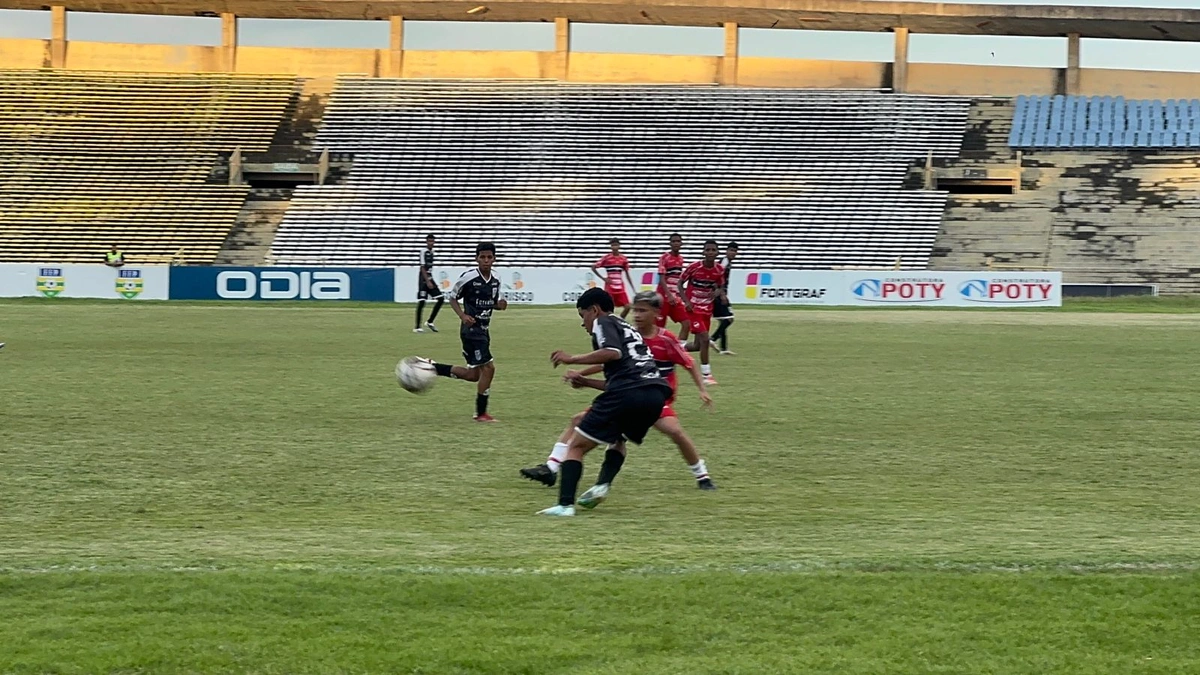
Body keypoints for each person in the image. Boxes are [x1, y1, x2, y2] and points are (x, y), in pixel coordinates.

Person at [521, 291, 717, 493]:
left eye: (643, 311)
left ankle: (702, 475)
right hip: (630, 393)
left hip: (656, 396)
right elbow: (608, 366)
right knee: (585, 423)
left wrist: (702, 388)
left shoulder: (664, 339)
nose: (638, 316)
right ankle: (555, 468)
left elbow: (688, 362)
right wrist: (583, 376)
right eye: (635, 311)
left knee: (675, 432)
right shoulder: (629, 333)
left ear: (657, 313)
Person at [538, 288, 673, 516]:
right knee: (618, 439)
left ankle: (565, 505)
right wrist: (587, 382)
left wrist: (572, 358)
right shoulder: (628, 328)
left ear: (594, 310)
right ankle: (602, 485)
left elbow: (612, 353)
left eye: (583, 316)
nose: (584, 324)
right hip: (655, 394)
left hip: (630, 391)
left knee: (576, 446)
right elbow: (623, 376)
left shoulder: (603, 322)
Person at [423, 242, 507, 422]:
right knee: (489, 369)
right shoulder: (468, 278)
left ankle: (434, 367)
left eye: (489, 257)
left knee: (473, 375)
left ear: (494, 259)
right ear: (476, 258)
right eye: (482, 257)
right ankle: (481, 413)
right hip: (472, 331)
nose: (486, 260)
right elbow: (453, 298)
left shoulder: (496, 279)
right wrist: (462, 315)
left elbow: (491, 303)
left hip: (484, 330)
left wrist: (499, 306)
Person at [678, 240, 725, 385]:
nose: (710, 252)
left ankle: (675, 348)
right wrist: (686, 301)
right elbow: (680, 284)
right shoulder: (694, 267)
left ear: (717, 253)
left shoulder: (719, 270)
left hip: (707, 310)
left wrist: (718, 293)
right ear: (703, 252)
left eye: (713, 250)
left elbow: (720, 285)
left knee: (698, 345)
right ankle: (707, 375)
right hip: (694, 309)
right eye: (708, 250)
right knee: (705, 339)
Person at [656, 233, 690, 344]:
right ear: (670, 243)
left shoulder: (681, 259)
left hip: (675, 297)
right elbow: (661, 278)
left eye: (678, 241)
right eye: (674, 241)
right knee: (659, 327)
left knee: (687, 323)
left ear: (681, 243)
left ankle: (679, 349)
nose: (676, 243)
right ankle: (655, 351)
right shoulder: (664, 258)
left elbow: (677, 280)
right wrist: (668, 294)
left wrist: (679, 294)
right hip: (663, 297)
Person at [591, 238, 636, 318]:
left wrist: (632, 287)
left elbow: (627, 273)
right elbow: (594, 267)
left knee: (628, 306)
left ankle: (620, 320)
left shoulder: (623, 259)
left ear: (619, 246)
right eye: (612, 245)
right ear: (610, 247)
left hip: (620, 288)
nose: (614, 247)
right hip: (610, 288)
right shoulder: (607, 258)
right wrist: (603, 278)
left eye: (616, 245)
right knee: (608, 308)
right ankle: (608, 322)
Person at [711, 241, 738, 356]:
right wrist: (721, 294)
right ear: (726, 251)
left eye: (735, 251)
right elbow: (716, 276)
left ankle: (723, 348)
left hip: (719, 293)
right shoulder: (724, 262)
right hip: (718, 294)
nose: (733, 253)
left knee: (724, 320)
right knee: (729, 319)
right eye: (731, 250)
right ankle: (712, 339)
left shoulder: (727, 262)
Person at [414, 234, 444, 333]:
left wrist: (431, 280)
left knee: (441, 299)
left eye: (432, 241)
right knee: (422, 301)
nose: (431, 243)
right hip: (423, 278)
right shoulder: (423, 252)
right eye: (429, 241)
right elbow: (422, 267)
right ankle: (417, 326)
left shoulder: (432, 252)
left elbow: (429, 269)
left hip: (429, 277)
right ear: (426, 242)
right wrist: (427, 281)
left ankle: (430, 321)